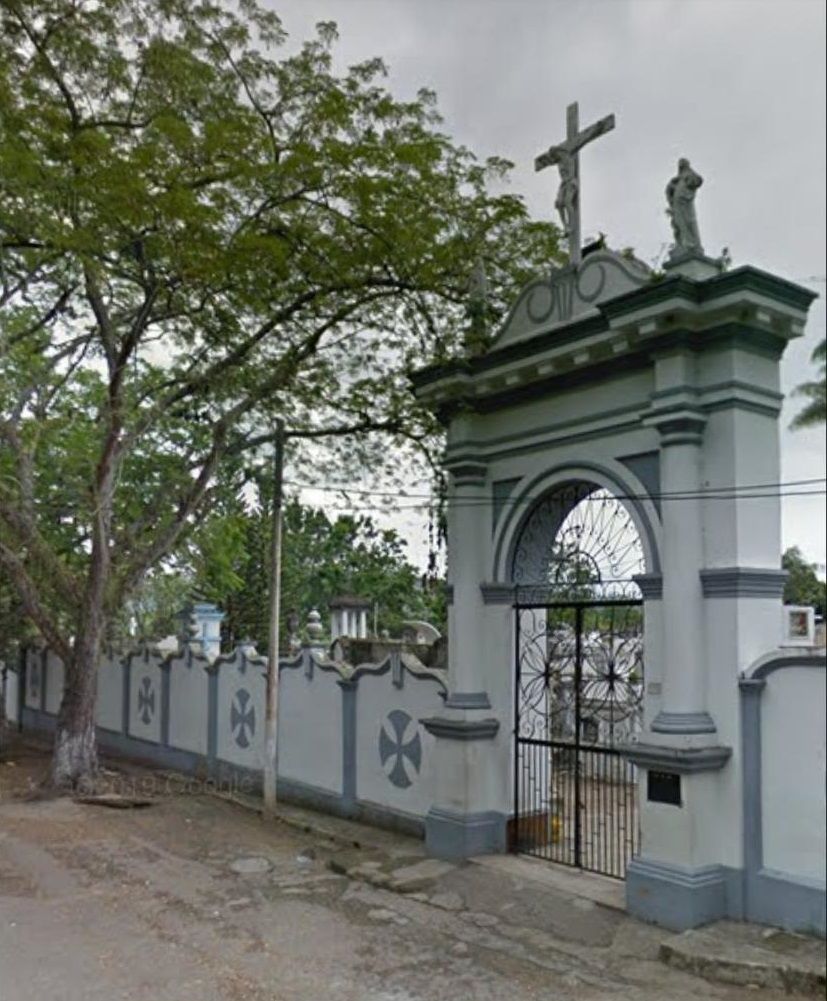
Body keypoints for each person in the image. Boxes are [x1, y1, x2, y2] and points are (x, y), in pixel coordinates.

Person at [666, 158, 703, 255]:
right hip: (677, 204)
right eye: (680, 163)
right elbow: (669, 191)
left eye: (683, 163)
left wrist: (688, 181)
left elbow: (697, 180)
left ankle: (691, 244)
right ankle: (682, 244)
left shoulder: (689, 174)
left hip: (684, 203)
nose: (681, 165)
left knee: (688, 221)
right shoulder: (677, 180)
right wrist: (671, 186)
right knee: (678, 223)